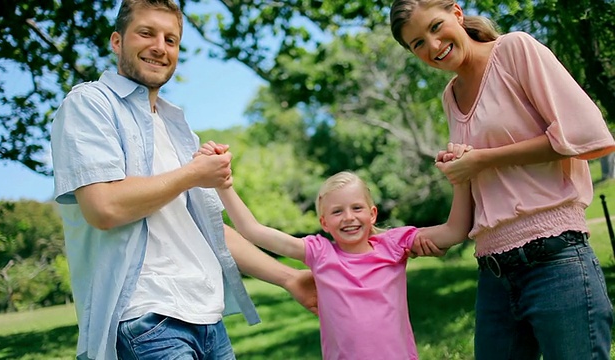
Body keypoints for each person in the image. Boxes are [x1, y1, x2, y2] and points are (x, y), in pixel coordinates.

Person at [50, 1, 317, 359]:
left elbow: (210, 229)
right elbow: (104, 207)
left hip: (207, 318)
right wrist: (193, 174)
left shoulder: (177, 127)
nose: (160, 46)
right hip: (146, 318)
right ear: (117, 41)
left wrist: (289, 278)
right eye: (146, 33)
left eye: (171, 39)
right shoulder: (91, 104)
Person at [390, 1, 615, 359]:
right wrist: (395, 240)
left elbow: (588, 135)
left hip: (557, 263)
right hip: (494, 276)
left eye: (435, 27)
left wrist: (481, 159)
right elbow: (467, 215)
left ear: (457, 13)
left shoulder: (514, 50)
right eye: (417, 43)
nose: (432, 46)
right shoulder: (450, 97)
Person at [197, 143, 471, 360]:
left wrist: (461, 181)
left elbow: (455, 231)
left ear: (373, 214)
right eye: (337, 212)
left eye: (357, 208)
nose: (348, 217)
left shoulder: (394, 245)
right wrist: (224, 185)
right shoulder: (320, 253)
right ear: (324, 222)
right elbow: (253, 230)